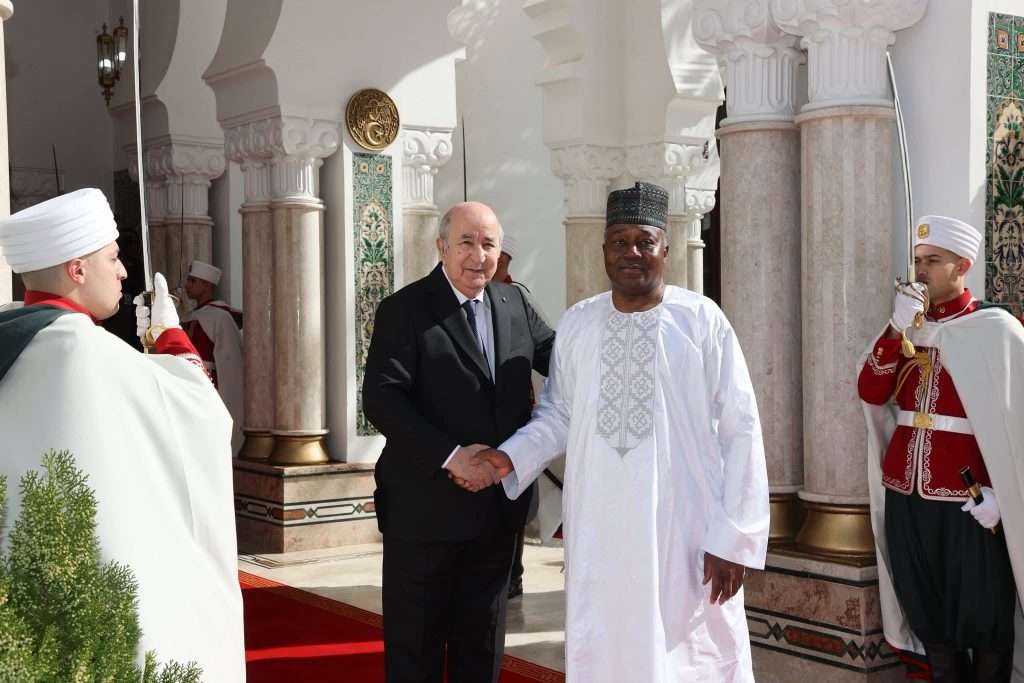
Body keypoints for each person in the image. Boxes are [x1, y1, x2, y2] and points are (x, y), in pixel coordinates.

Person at [463, 181, 770, 682]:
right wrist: (511, 456)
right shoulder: (579, 323)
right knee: (606, 646)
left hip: (685, 530)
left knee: (689, 656)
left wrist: (734, 539)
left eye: (645, 241)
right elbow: (559, 413)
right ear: (603, 250)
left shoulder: (701, 321)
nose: (632, 252)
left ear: (665, 249)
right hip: (601, 528)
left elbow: (742, 429)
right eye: (619, 242)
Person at [0, 189, 244, 682]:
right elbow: (201, 415)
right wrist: (169, 338)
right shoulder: (83, 350)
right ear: (77, 269)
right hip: (95, 591)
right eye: (112, 258)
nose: (123, 271)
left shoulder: (18, 333)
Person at [361, 201, 555, 682]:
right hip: (424, 513)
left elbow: (562, 359)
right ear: (442, 247)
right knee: (416, 653)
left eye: (488, 244)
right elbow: (382, 399)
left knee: (482, 649)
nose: (478, 255)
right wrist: (451, 457)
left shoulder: (515, 304)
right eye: (466, 242)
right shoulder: (405, 309)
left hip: (496, 512)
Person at [858, 215, 1024, 682]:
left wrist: (1001, 494)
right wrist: (895, 329)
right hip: (906, 495)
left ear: (963, 266)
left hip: (972, 504)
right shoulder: (906, 329)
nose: (921, 271)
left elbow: (1017, 421)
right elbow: (871, 392)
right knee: (932, 625)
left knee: (986, 623)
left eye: (933, 260)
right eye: (917, 261)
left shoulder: (996, 328)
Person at [182, 259, 244, 454]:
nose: (187, 285)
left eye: (192, 281)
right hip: (188, 388)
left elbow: (230, 363)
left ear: (207, 285)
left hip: (210, 391)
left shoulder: (220, 317)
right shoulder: (191, 316)